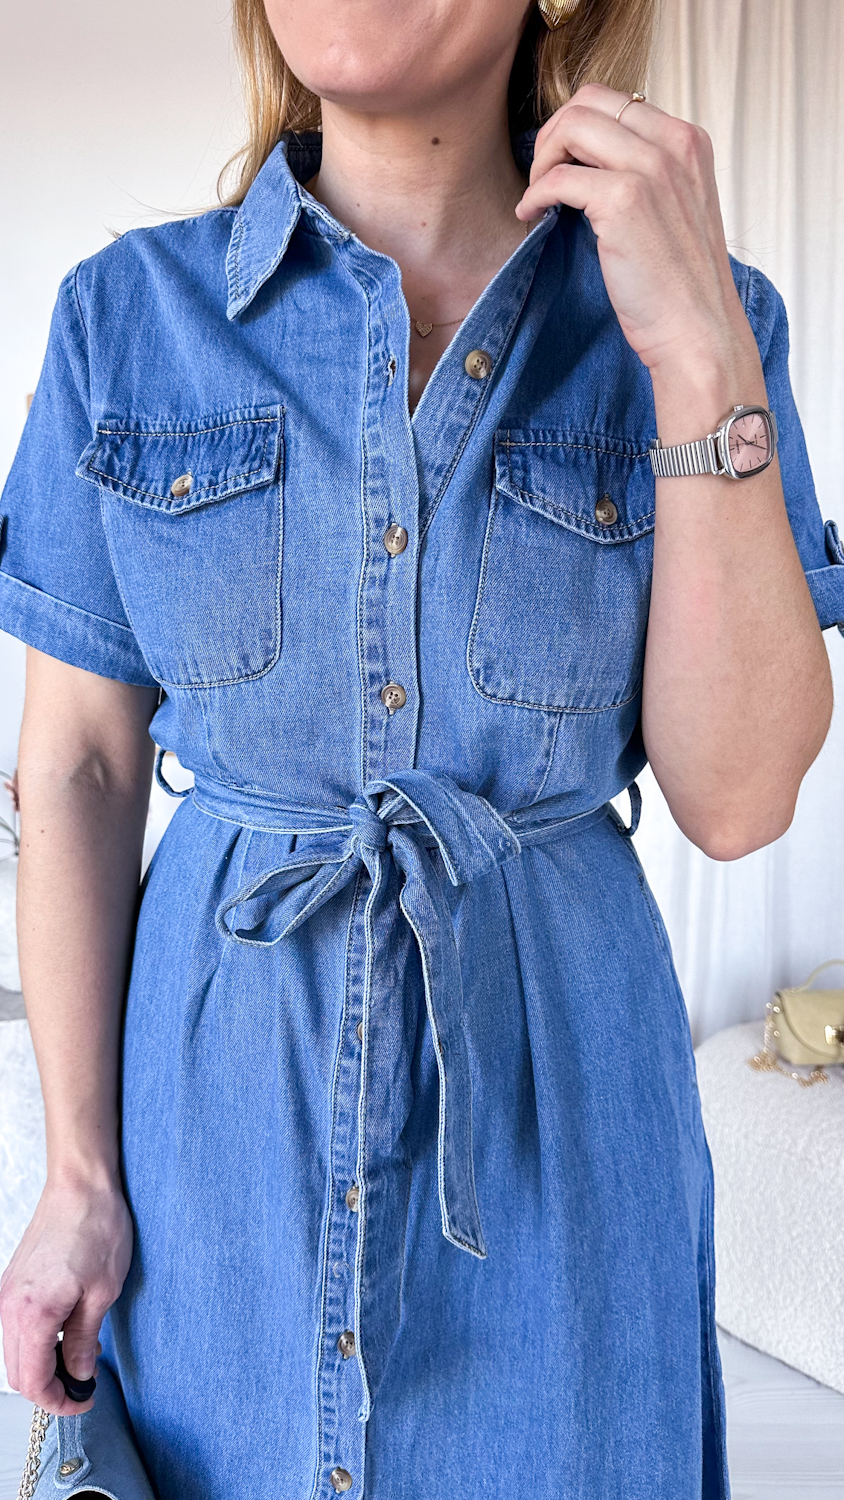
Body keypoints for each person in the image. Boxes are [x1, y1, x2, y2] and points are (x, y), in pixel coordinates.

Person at [1, 0, 842, 1496]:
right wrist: (76, 1175)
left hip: (563, 1160)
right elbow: (77, 768)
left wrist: (699, 355)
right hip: (221, 1161)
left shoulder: (705, 320)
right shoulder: (124, 321)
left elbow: (738, 796)